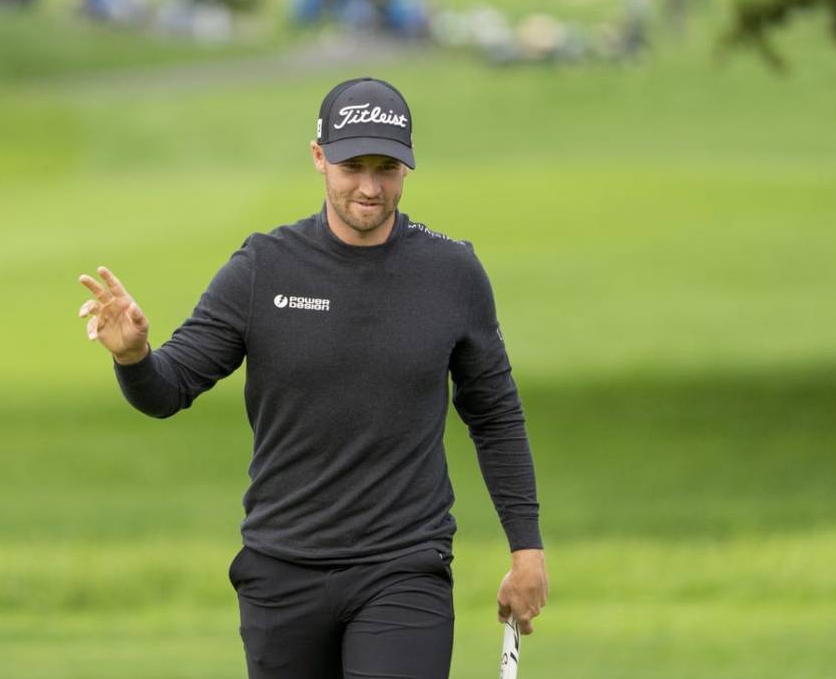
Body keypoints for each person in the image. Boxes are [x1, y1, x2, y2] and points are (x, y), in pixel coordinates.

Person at [77, 77, 548, 679]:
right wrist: (133, 357)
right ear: (319, 157)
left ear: (409, 167)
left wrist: (526, 549)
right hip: (282, 571)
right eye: (353, 166)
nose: (370, 188)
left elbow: (495, 415)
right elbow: (168, 392)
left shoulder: (451, 273)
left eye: (388, 168)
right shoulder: (262, 268)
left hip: (404, 566)